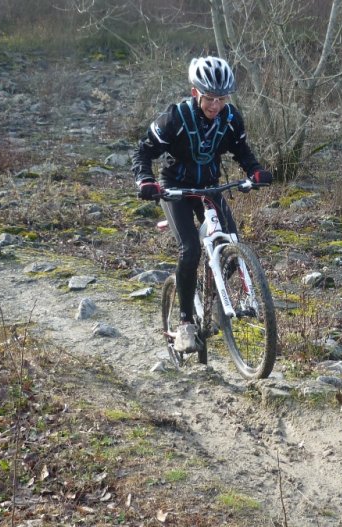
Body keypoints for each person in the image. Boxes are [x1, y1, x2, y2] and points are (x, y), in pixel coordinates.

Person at [132, 56, 273, 354]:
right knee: (191, 249)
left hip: (210, 188)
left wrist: (255, 171)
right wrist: (145, 180)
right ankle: (185, 323)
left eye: (221, 98)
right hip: (175, 190)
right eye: (209, 98)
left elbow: (241, 150)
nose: (215, 105)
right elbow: (143, 153)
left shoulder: (231, 119)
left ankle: (210, 296)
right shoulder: (174, 119)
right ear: (196, 92)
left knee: (232, 249)